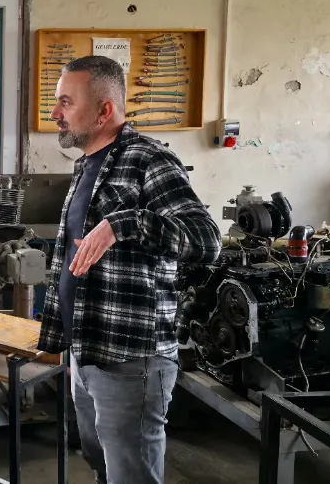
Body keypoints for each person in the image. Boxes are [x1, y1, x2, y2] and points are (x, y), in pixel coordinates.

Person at [36, 56, 221, 484]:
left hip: (132, 359)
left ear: (104, 110)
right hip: (89, 351)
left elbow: (205, 239)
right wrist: (72, 351)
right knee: (102, 464)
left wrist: (126, 223)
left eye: (66, 102)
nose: (55, 113)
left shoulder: (149, 159)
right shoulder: (88, 163)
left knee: (130, 474)